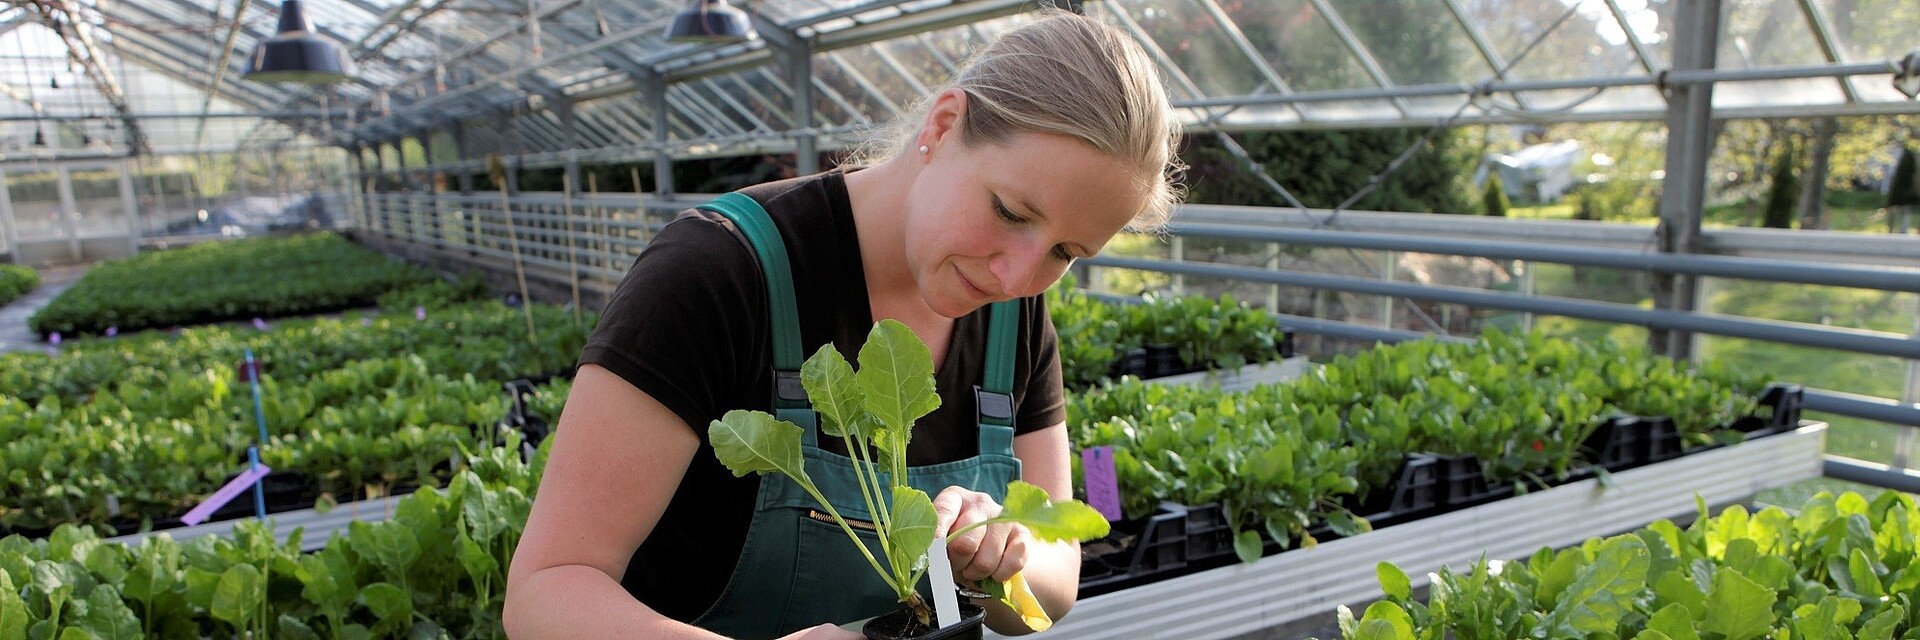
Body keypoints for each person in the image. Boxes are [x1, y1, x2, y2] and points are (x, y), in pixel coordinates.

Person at [504, 10, 1182, 640]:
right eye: (1009, 211)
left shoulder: (1017, 321)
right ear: (944, 125)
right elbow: (545, 591)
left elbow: (1054, 587)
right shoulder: (718, 274)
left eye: (1066, 253)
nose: (1014, 278)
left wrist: (1002, 558)